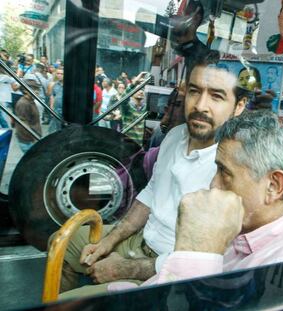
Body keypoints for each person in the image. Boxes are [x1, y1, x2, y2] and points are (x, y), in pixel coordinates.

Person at [57, 55, 248, 299]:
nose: (200, 105)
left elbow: (207, 260)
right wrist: (111, 239)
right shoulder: (175, 135)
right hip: (140, 241)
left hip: (167, 272)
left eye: (217, 96)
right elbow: (150, 194)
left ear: (239, 106)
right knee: (62, 242)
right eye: (194, 91)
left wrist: (125, 268)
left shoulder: (233, 167)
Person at [125, 111, 283, 286]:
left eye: (224, 173)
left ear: (274, 186)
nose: (213, 184)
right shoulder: (249, 222)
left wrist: (198, 251)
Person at [12, 76, 42, 153]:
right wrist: (33, 139)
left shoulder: (30, 100)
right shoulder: (23, 103)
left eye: (37, 89)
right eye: (34, 89)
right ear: (25, 90)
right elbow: (23, 125)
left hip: (32, 139)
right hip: (28, 141)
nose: (37, 91)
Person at [49, 67, 64, 133]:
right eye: (58, 73)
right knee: (55, 129)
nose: (59, 75)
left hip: (66, 111)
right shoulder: (55, 84)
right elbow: (52, 96)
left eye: (62, 74)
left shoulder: (70, 85)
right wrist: (51, 107)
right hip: (57, 110)